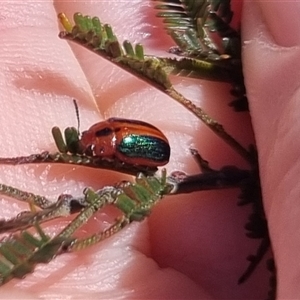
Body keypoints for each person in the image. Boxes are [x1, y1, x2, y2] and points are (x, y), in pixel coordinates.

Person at [0, 1, 295, 298]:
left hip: (157, 149)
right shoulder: (111, 130)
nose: (89, 146)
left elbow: (133, 153)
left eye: (93, 144)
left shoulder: (121, 141)